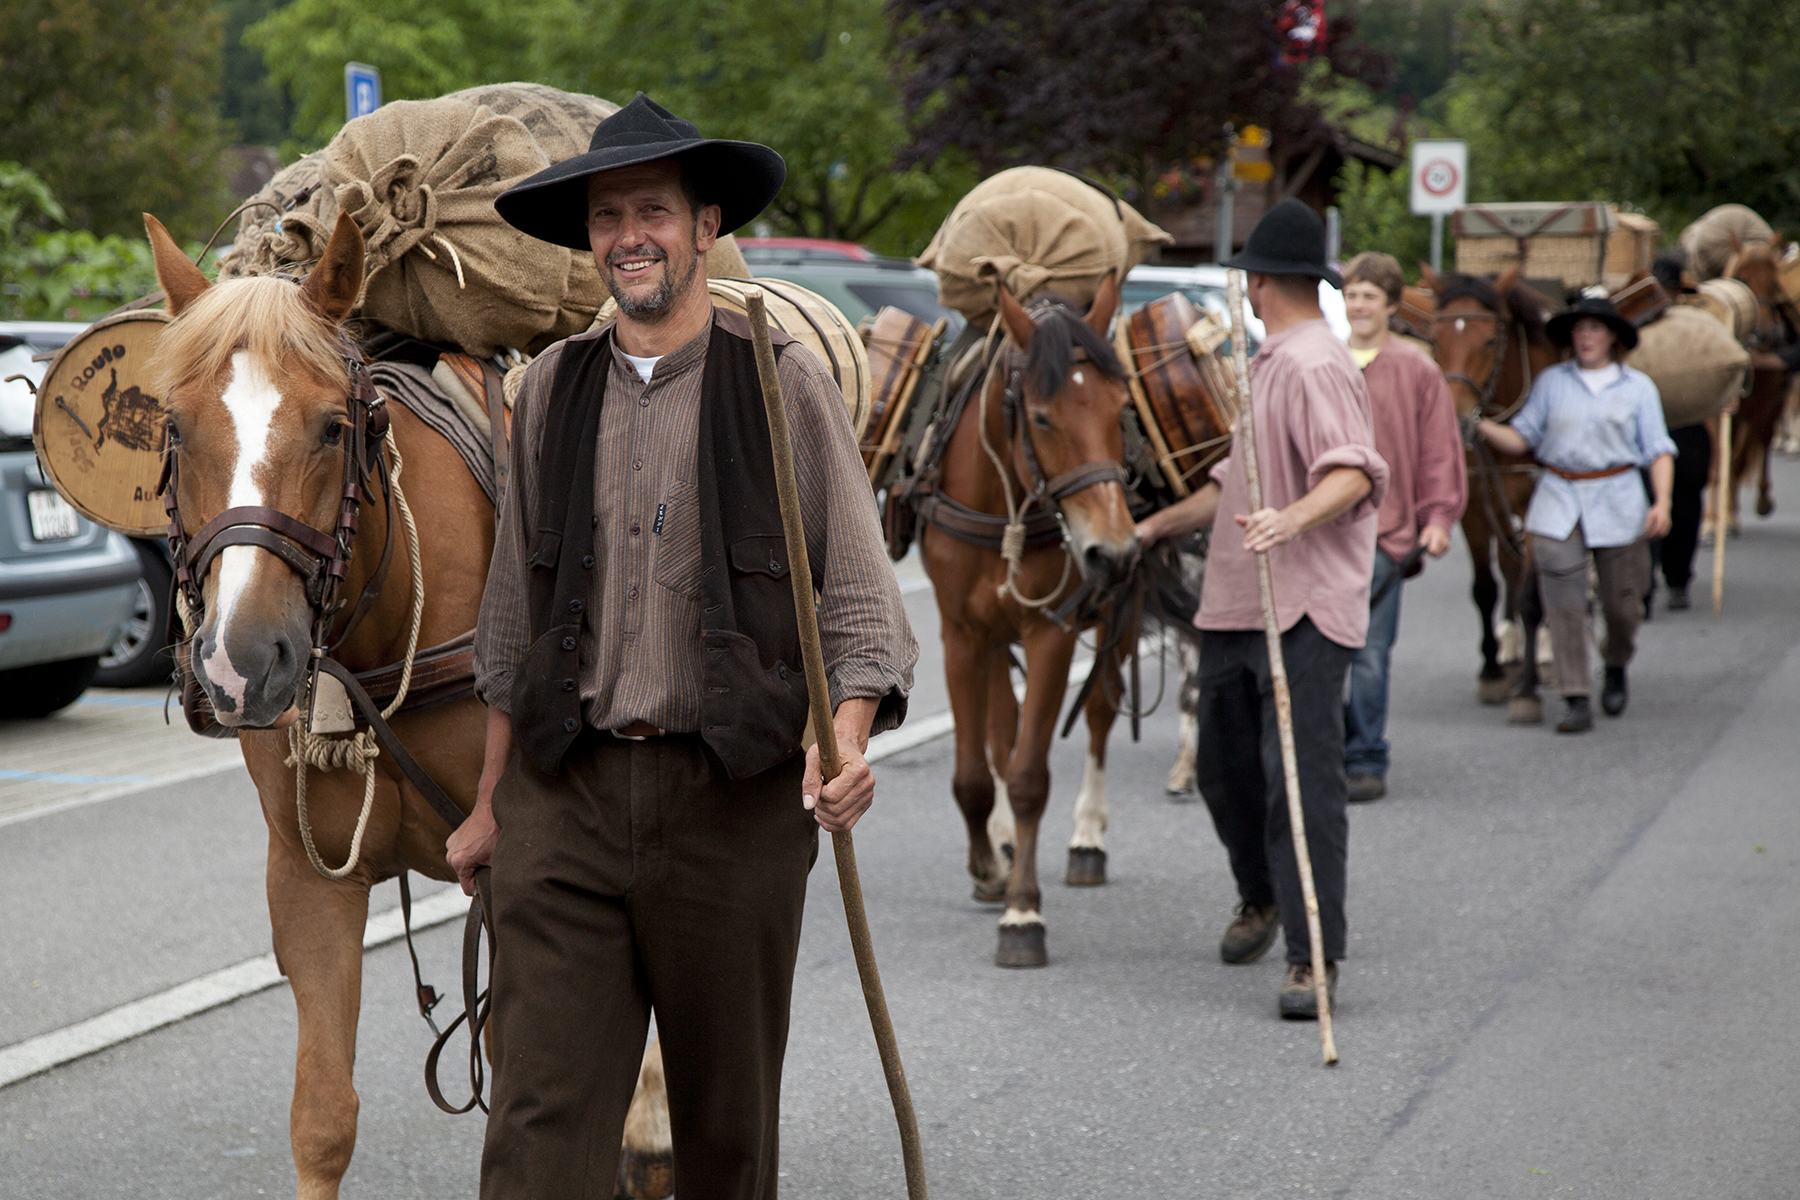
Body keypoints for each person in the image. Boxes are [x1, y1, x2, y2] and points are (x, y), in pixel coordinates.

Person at [447, 94, 917, 1198]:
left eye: (651, 211)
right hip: (566, 803)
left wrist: (844, 741)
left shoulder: (779, 378)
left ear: (706, 227)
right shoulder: (549, 388)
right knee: (534, 1138)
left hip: (732, 806)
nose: (628, 237)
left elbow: (857, 604)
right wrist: (487, 804)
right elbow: (512, 623)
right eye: (607, 219)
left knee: (725, 1139)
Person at [1137, 199, 1389, 1019]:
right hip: (1237, 603)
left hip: (1306, 607)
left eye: (1243, 276)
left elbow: (1353, 474)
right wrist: (1152, 527)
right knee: (1221, 771)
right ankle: (1263, 893)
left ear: (1256, 281)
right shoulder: (1264, 360)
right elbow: (1234, 484)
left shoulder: (1317, 361)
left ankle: (1315, 959)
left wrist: (1292, 518)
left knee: (1300, 784)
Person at [1473, 295, 1673, 733]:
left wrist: (1662, 501)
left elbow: (1658, 450)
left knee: (1624, 606)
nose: (1587, 337)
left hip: (1619, 497)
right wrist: (1480, 425)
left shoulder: (1638, 388)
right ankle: (1574, 695)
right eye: (1580, 330)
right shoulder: (1551, 384)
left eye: (1595, 329)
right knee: (1563, 602)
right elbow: (1521, 438)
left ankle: (1616, 663)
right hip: (1559, 497)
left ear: (1612, 338)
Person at [1338, 252, 1467, 802]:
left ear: (1392, 304)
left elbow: (1440, 448)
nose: (1359, 305)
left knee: (1369, 653)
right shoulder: (1327, 361)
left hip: (1383, 534)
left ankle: (1366, 756)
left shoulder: (1417, 368)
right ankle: (1323, 749)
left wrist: (1438, 518)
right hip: (1320, 533)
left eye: (1370, 295)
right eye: (1351, 294)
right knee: (1315, 652)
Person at [1649, 254, 1712, 611]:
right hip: (1643, 429)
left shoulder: (1696, 328)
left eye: (1669, 290)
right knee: (1643, 505)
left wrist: (1725, 394)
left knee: (1686, 506)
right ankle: (1642, 582)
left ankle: (1678, 578)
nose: (1663, 296)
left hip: (1686, 427)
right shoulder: (1634, 326)